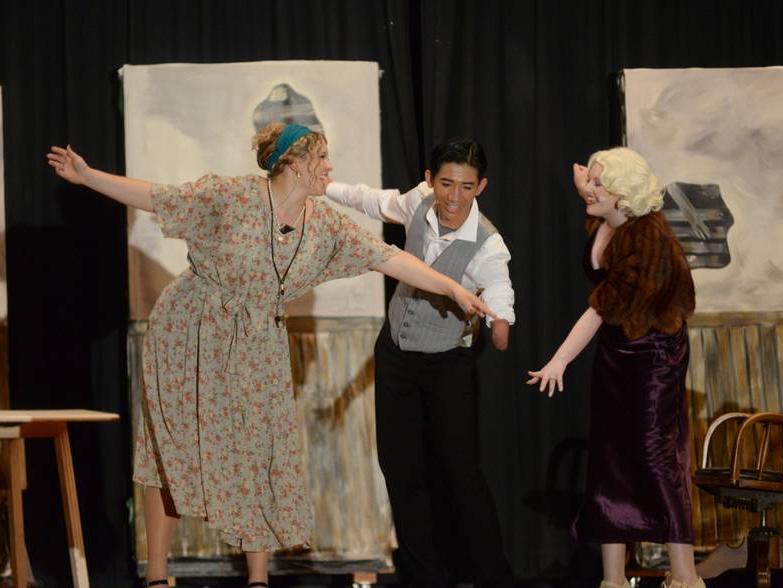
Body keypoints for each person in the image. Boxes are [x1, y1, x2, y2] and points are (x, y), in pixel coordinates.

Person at [46, 123, 496, 588]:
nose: (330, 167)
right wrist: (89, 175)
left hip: (259, 341)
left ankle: (257, 579)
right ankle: (157, 576)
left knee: (260, 451)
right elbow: (159, 197)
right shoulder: (231, 196)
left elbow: (389, 258)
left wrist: (453, 289)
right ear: (295, 164)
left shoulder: (325, 225)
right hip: (190, 333)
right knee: (174, 451)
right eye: (322, 158)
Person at [325, 138, 515, 588]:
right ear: (431, 180)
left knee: (460, 473)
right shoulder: (419, 202)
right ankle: (425, 578)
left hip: (447, 364)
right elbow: (373, 201)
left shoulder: (487, 244)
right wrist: (326, 188)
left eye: (466, 186)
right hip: (394, 356)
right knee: (400, 466)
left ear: (480, 186)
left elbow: (500, 289)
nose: (453, 196)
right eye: (446, 183)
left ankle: (494, 578)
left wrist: (501, 323)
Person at [527, 147, 702, 588]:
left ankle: (684, 576)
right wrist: (588, 182)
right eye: (593, 181)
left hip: (654, 357)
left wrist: (560, 359)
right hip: (617, 354)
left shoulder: (648, 238)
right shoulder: (609, 218)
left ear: (623, 194)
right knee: (609, 459)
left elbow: (601, 306)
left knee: (657, 458)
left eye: (601, 183)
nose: (591, 188)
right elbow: (608, 305)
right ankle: (613, 579)